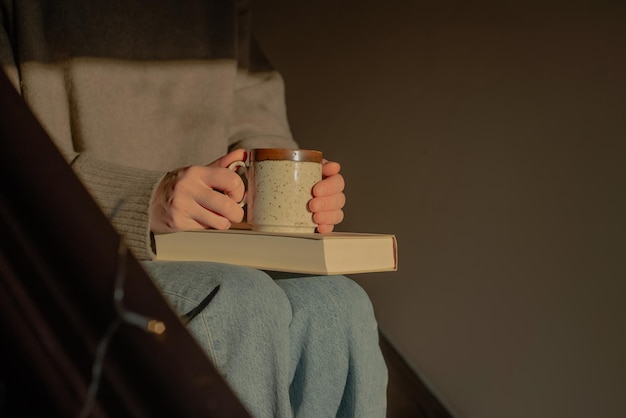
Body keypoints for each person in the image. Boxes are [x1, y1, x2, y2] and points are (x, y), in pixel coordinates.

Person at [0, 1, 388, 416]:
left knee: (338, 303)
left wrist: (296, 192)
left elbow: (259, 127)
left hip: (209, 246)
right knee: (242, 301)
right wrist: (144, 198)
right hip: (68, 247)